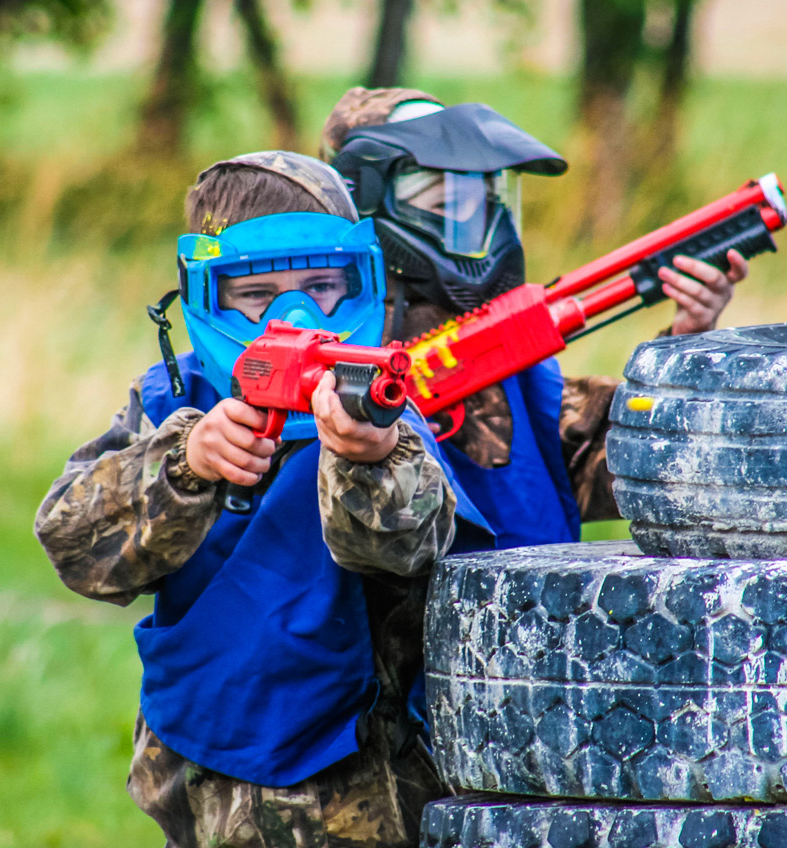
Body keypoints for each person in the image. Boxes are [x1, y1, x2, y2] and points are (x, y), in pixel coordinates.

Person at [34, 151, 490, 848]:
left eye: (322, 286)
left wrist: (367, 455)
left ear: (361, 283)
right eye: (258, 295)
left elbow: (407, 549)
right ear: (206, 297)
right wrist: (186, 462)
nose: (298, 315)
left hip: (370, 779)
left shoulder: (381, 412)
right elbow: (76, 549)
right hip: (209, 774)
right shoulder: (172, 400)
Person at [321, 87, 750, 543]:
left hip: (529, 605)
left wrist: (685, 341)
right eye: (447, 204)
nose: (479, 223)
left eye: (486, 202)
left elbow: (609, 459)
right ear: (363, 201)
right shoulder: (342, 343)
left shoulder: (500, 341)